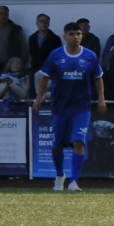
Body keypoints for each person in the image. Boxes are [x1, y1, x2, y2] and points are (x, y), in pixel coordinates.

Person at [32, 21, 105, 192]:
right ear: (65, 36)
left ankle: (74, 181)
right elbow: (44, 77)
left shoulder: (90, 56)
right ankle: (59, 176)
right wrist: (39, 98)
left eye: (78, 34)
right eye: (72, 34)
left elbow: (98, 78)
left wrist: (101, 98)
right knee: (58, 144)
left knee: (78, 141)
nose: (76, 37)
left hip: (81, 107)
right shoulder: (56, 55)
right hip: (60, 107)